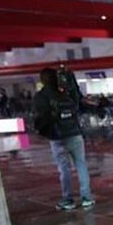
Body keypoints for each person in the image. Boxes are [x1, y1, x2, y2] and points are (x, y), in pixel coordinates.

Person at [33, 67, 94, 211]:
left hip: (57, 137)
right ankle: (86, 197)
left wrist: (43, 132)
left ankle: (68, 200)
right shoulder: (66, 92)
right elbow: (78, 100)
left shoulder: (41, 96)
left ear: (42, 80)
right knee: (81, 164)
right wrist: (70, 77)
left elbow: (39, 117)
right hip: (75, 133)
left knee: (64, 169)